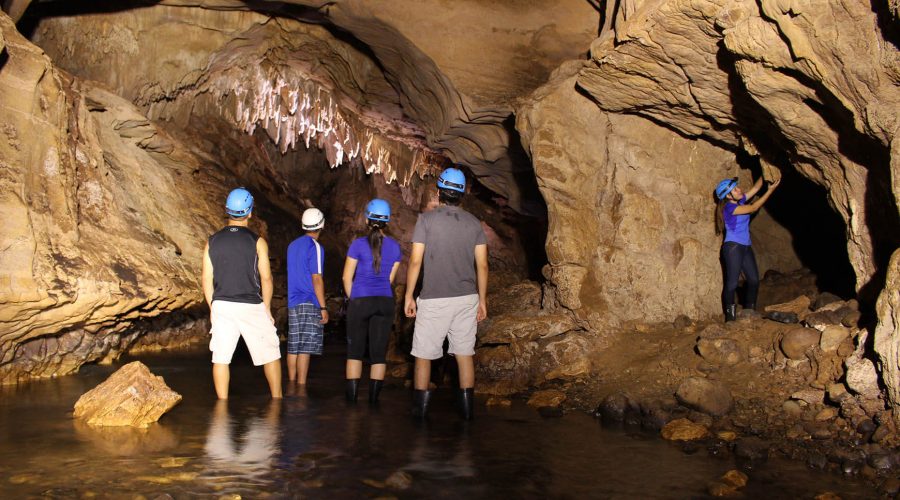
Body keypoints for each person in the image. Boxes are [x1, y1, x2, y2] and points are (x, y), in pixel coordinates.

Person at [404, 167, 489, 420]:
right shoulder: (474, 224)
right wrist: (482, 300)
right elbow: (482, 265)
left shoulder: (426, 220)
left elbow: (416, 261)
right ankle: (467, 417)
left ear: (439, 191)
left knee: (423, 355)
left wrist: (409, 295)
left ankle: (420, 416)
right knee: (464, 355)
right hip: (467, 299)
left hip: (434, 298)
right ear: (462, 194)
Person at [202, 187, 282, 399]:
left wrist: (213, 307)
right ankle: (277, 400)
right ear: (250, 212)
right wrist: (266, 307)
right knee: (271, 353)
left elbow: (206, 278)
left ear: (227, 211)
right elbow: (266, 278)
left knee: (221, 358)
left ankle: (222, 406)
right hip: (250, 304)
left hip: (222, 305)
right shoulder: (257, 241)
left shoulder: (211, 241)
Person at [341, 199, 402, 404]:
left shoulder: (357, 245)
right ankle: (374, 403)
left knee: (355, 352)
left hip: (361, 300)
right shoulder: (395, 247)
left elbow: (346, 278)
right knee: (378, 354)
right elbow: (389, 280)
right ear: (387, 222)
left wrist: (355, 299)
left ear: (367, 219)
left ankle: (352, 402)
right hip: (384, 302)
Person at [714, 175, 781, 322]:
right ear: (728, 195)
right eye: (735, 189)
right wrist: (770, 190)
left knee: (753, 280)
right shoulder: (729, 208)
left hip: (745, 246)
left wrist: (765, 172)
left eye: (737, 187)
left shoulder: (739, 200)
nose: (739, 190)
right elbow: (754, 207)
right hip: (733, 248)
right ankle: (730, 318)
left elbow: (756, 187)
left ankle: (750, 312)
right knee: (731, 283)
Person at [286, 207, 329, 386]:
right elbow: (316, 278)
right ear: (321, 225)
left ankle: (290, 384)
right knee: (305, 347)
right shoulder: (315, 247)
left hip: (292, 302)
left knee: (293, 345)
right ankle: (301, 388)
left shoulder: (292, 245)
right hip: (309, 301)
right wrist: (323, 307)